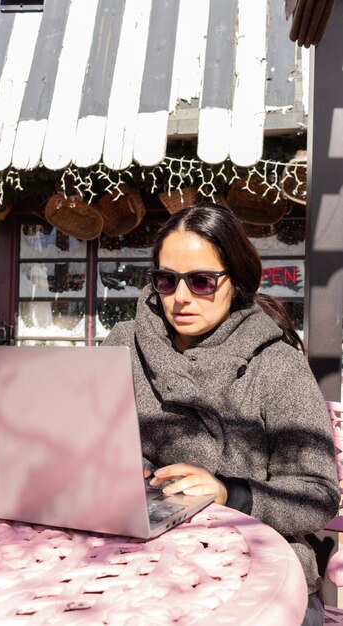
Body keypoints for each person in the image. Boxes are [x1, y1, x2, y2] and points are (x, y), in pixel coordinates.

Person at [102, 202, 340, 625]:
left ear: (237, 280)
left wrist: (229, 492)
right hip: (139, 560)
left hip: (263, 571)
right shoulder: (124, 344)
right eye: (166, 280)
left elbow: (317, 493)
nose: (180, 297)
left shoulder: (276, 363)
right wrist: (127, 471)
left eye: (201, 281)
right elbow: (98, 440)